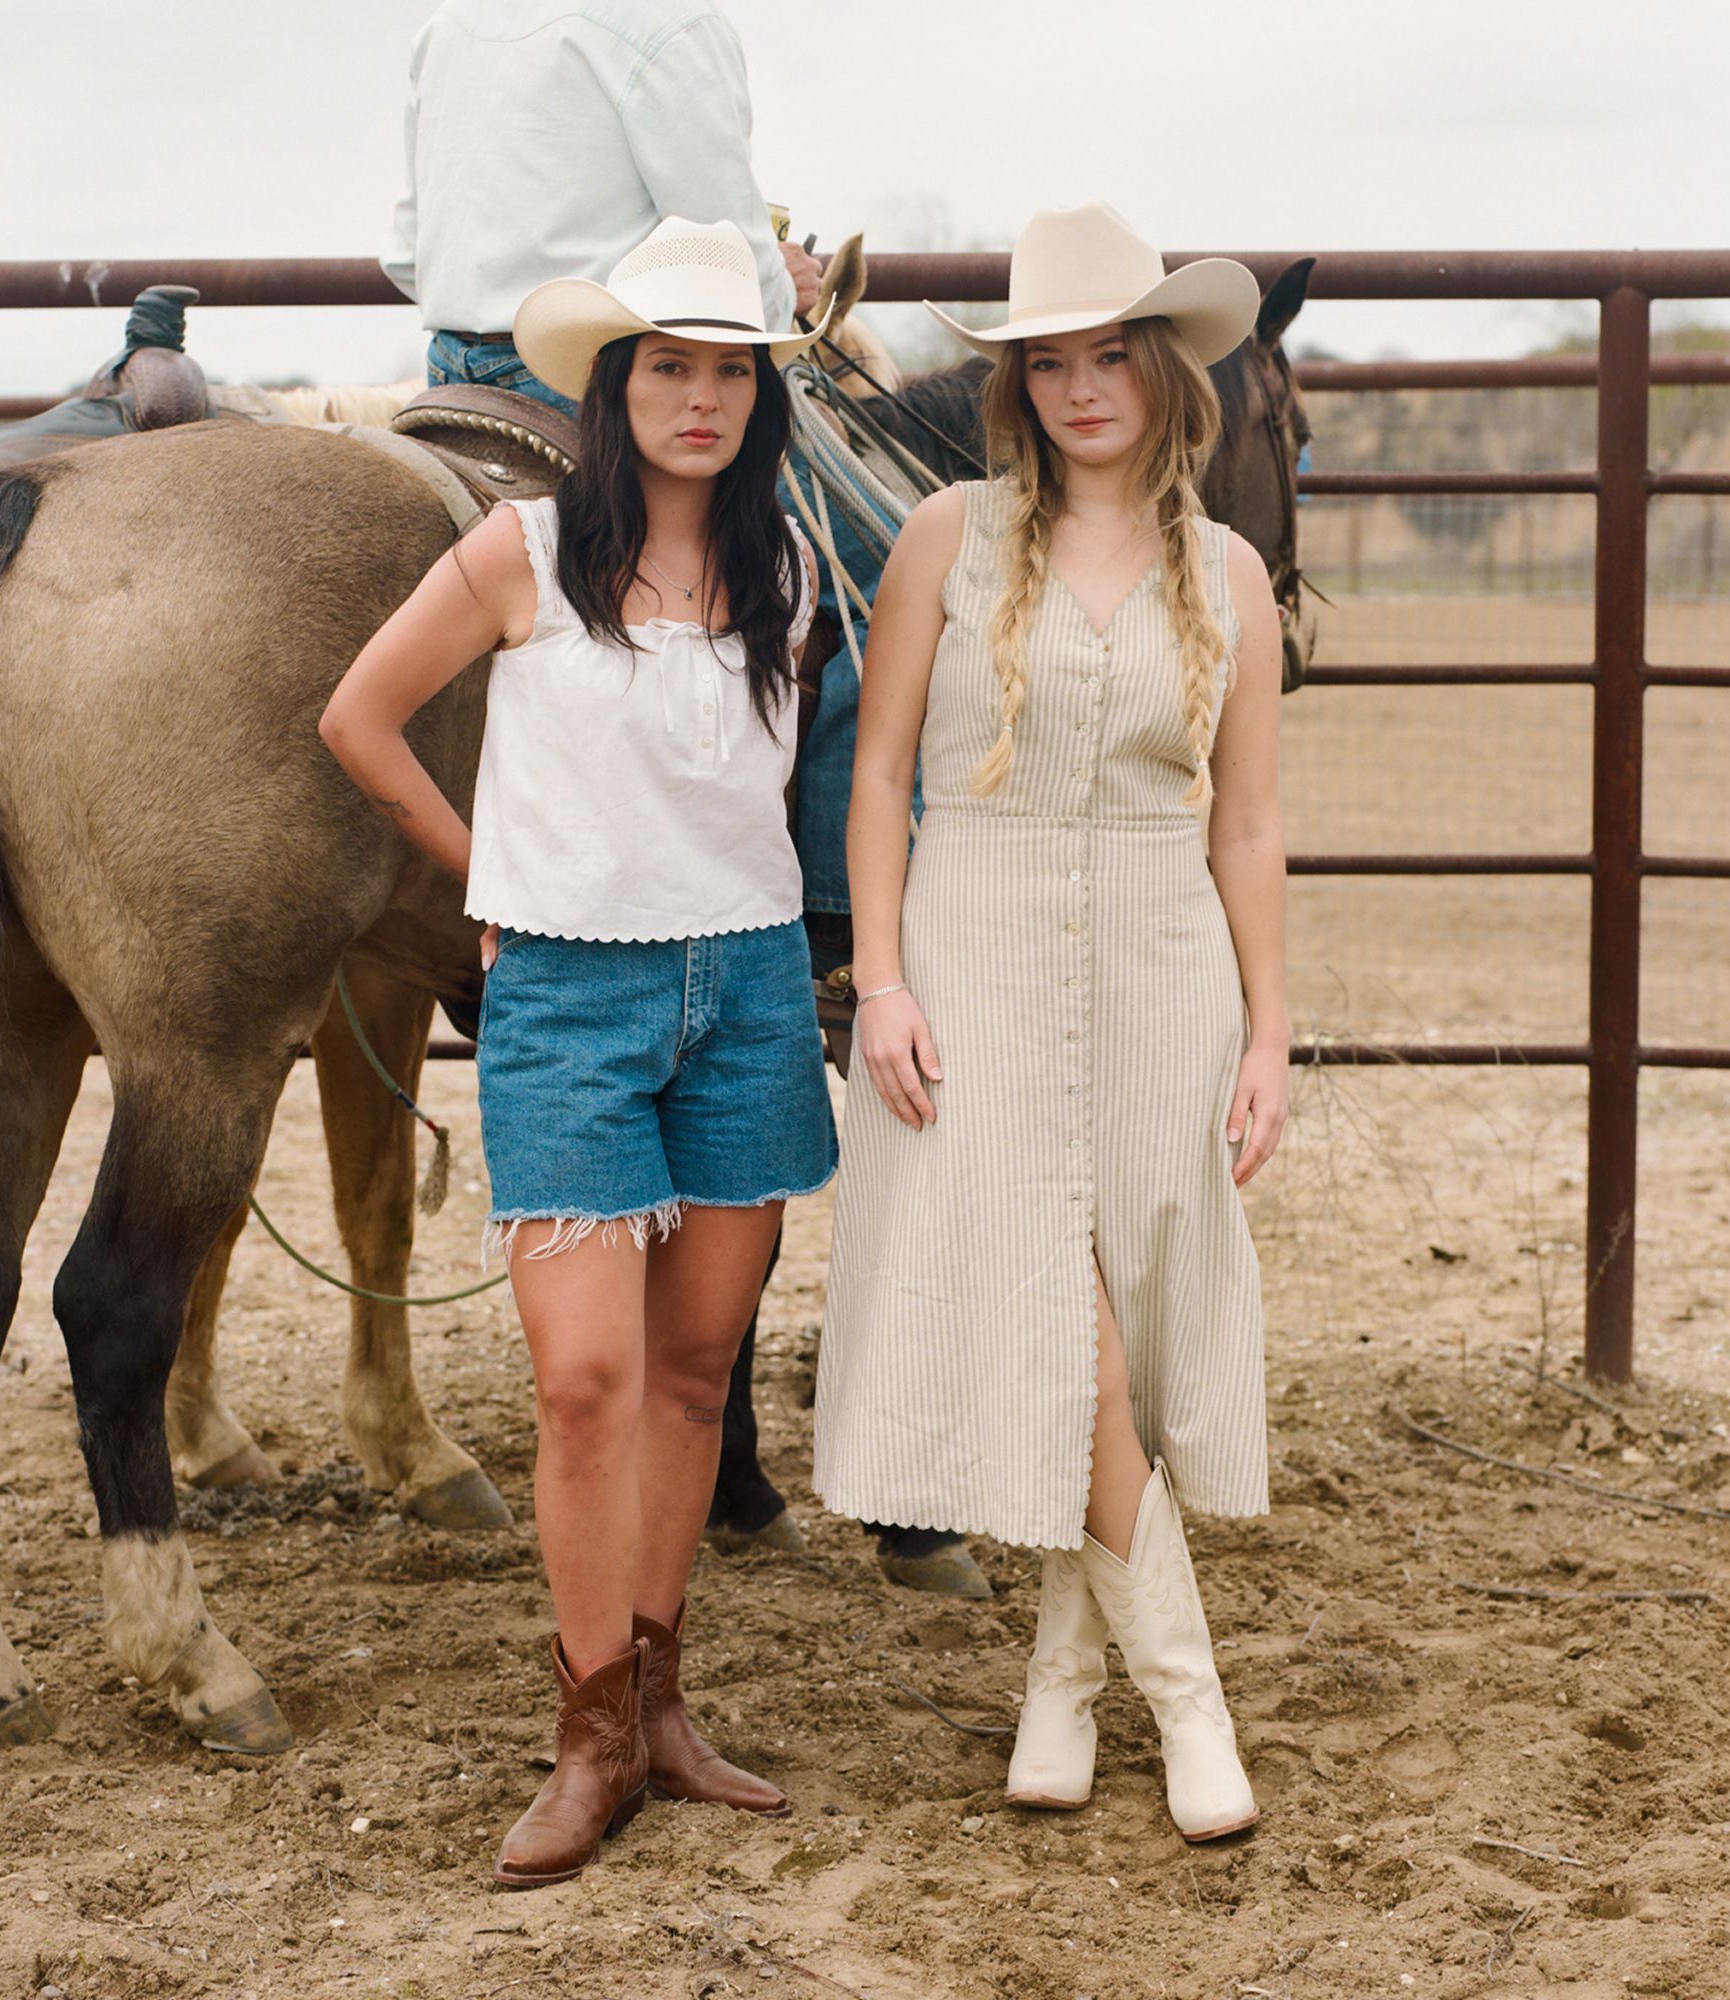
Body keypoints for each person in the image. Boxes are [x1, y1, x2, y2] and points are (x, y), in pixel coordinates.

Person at [319, 217, 838, 1887]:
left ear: (762, 396)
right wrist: (493, 875)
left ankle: (665, 1702)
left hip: (747, 995)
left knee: (694, 1378)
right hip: (566, 1003)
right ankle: (590, 1729)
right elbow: (358, 717)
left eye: (729, 371)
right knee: (585, 1381)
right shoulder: (521, 555)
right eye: (668, 368)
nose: (699, 398)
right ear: (617, 389)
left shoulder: (793, 570)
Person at [813, 203, 1289, 1843]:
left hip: (1167, 963)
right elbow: (876, 777)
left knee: (1132, 1337)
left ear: (1162, 374)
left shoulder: (1228, 576)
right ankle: (1187, 1690)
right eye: (1053, 361)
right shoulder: (948, 537)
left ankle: (1058, 1685)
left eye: (1112, 356)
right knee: (1050, 1305)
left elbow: (1246, 826)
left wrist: (1271, 1031)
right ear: (1018, 383)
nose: (1085, 388)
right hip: (981, 957)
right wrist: (880, 977)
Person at [381, 0, 820, 412]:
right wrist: (783, 291)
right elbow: (731, 259)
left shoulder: (448, 23)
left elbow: (406, 257)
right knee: (831, 488)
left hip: (449, 377)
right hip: (596, 378)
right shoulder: (671, 22)